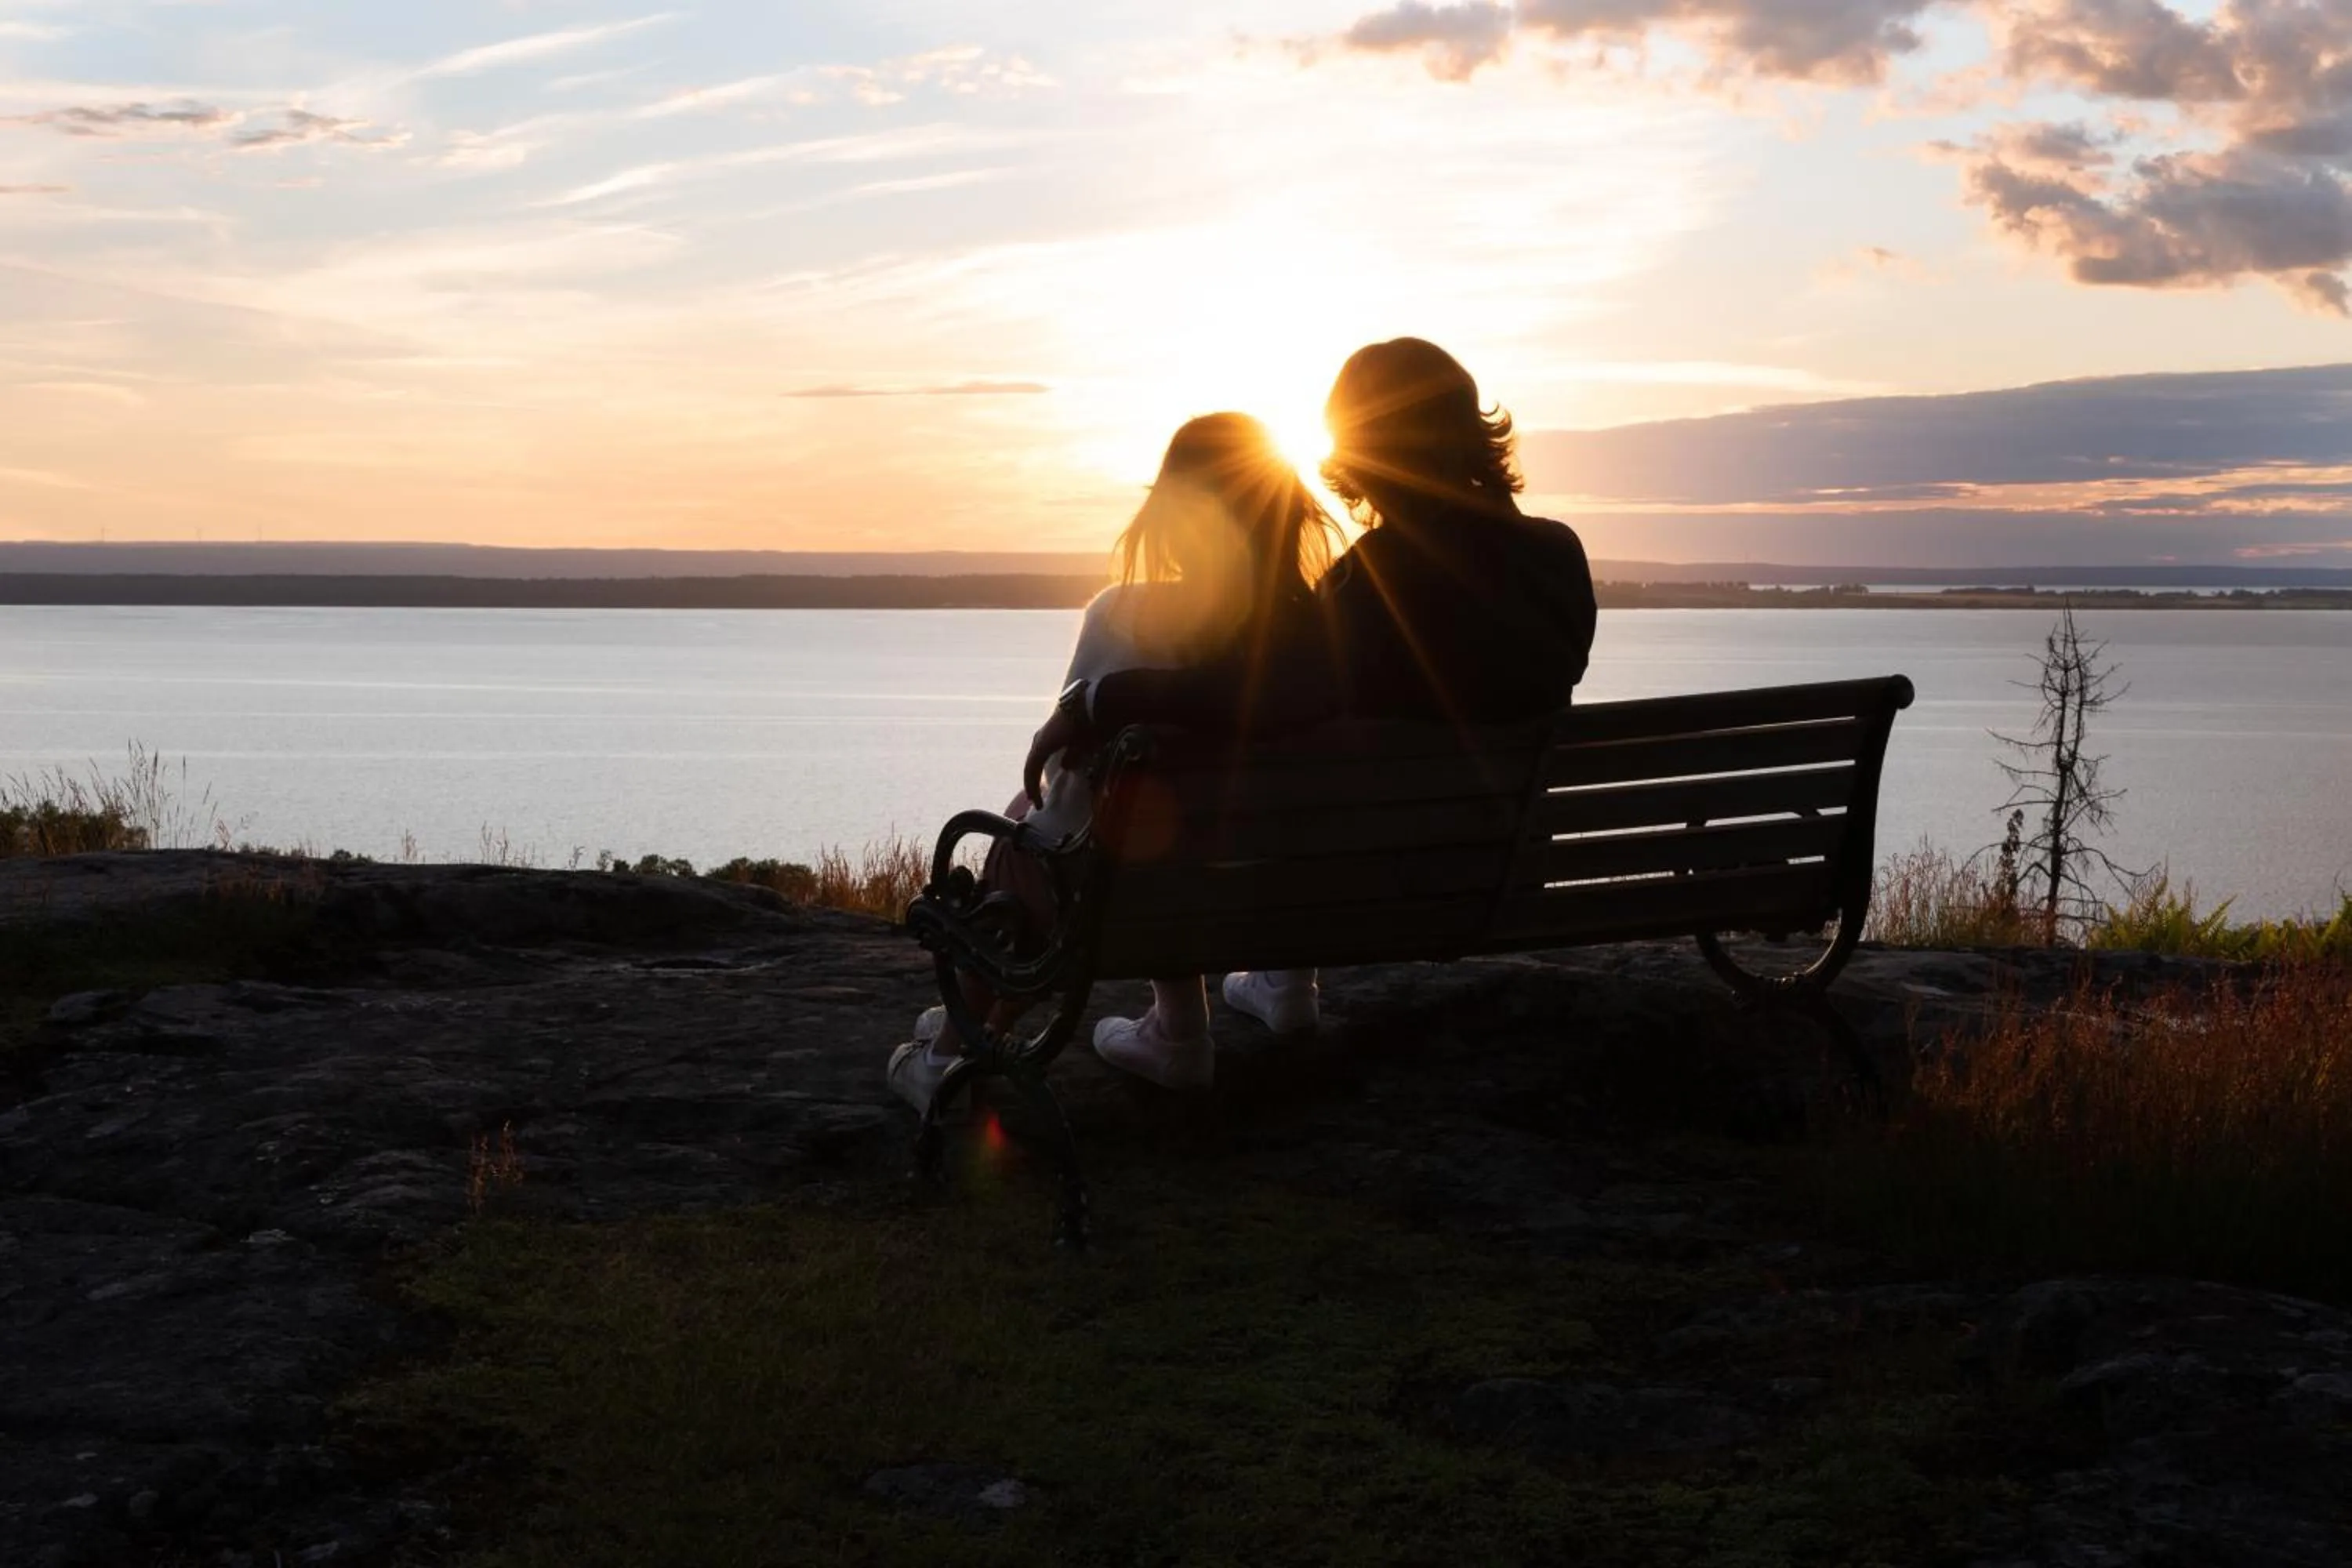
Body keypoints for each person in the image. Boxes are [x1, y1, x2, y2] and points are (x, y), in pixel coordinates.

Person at [1028, 339, 1599, 1084]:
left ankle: (1263, 990)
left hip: (1357, 886)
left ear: (1361, 454)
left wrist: (1102, 697)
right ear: (1469, 429)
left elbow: (1265, 699)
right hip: (1496, 873)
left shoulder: (1373, 583)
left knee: (1279, 770)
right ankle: (1281, 986)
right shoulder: (1560, 555)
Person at [887, 412, 1341, 1112]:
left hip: (1117, 900)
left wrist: (1069, 733)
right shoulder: (1317, 633)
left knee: (1029, 841)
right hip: (1255, 895)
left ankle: (948, 1056)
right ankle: (1179, 1033)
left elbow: (1062, 788)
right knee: (1155, 827)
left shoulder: (1126, 616)